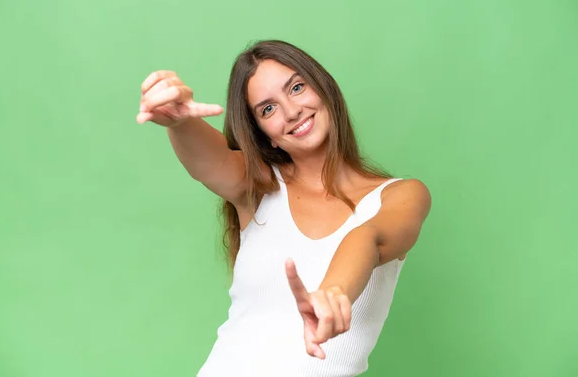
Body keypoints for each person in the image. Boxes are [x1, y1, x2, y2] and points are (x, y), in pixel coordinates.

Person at [137, 40, 431, 376]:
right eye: (268, 109)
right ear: (266, 135)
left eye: (297, 87)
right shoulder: (260, 187)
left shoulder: (400, 195)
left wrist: (334, 292)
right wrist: (179, 123)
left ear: (324, 88)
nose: (291, 111)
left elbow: (370, 236)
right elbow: (211, 161)